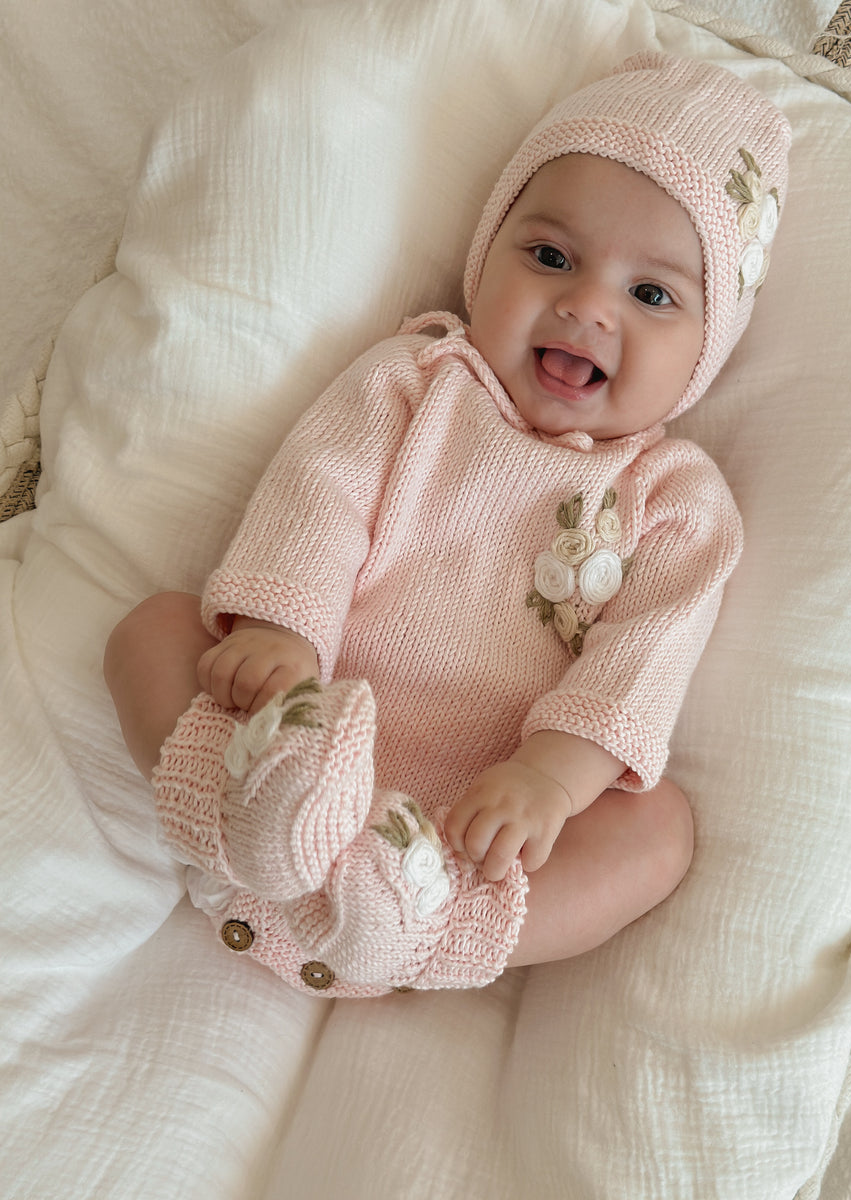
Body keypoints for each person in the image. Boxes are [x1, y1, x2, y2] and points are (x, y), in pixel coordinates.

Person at [104, 52, 791, 998]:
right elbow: (321, 495)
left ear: (706, 350)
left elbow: (645, 662)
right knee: (150, 629)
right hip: (300, 723)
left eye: (652, 294)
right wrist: (282, 635)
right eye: (550, 257)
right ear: (487, 252)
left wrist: (550, 780)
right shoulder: (418, 380)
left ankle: (419, 929)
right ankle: (251, 825)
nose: (587, 305)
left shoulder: (675, 499)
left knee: (657, 830)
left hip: (474, 827)